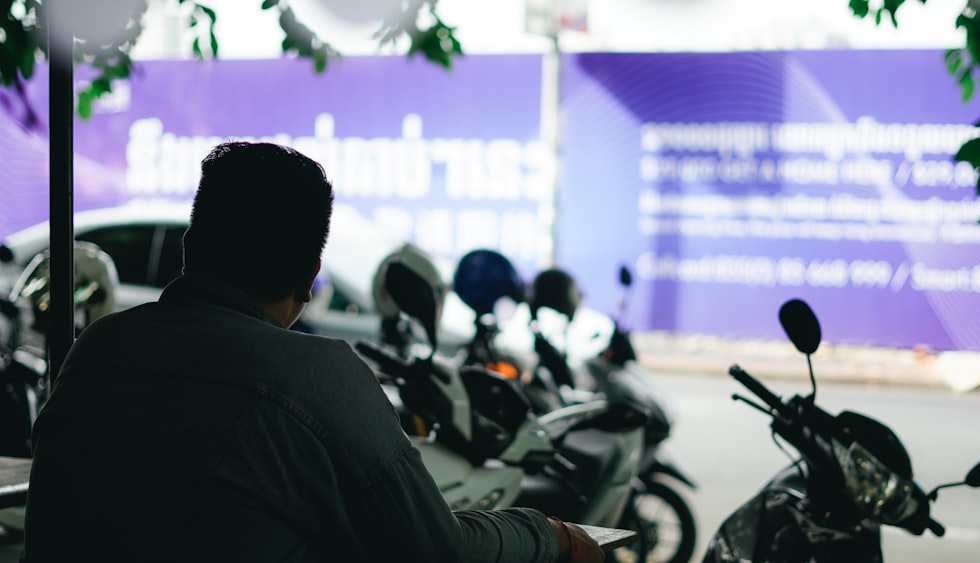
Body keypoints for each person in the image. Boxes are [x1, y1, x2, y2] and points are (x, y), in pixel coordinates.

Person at [19, 141, 604, 562]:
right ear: (309, 278)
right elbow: (437, 547)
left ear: (191, 246)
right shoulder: (316, 375)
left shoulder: (100, 346)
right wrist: (547, 534)